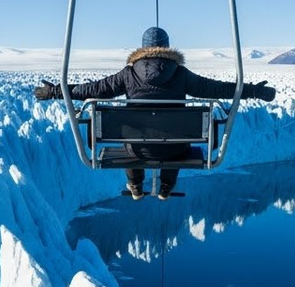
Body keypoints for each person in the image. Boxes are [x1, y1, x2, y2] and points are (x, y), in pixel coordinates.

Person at [34, 26, 276, 199]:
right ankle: (166, 188)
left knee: (129, 139)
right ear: (167, 48)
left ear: (142, 49)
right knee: (180, 141)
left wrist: (55, 91)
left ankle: (136, 186)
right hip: (175, 148)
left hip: (136, 148)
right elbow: (217, 88)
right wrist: (253, 91)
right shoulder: (181, 74)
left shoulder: (128, 74)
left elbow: (94, 89)